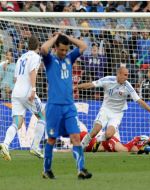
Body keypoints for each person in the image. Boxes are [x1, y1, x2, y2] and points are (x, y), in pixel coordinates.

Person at [40, 32, 92, 180]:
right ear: (55, 48)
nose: (64, 52)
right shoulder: (49, 60)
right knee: (51, 139)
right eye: (61, 49)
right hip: (54, 107)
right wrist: (55, 37)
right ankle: (46, 170)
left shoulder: (70, 58)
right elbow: (44, 48)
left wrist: (67, 37)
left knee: (76, 136)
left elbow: (83, 45)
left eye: (66, 50)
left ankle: (81, 169)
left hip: (69, 106)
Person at [77, 66, 150, 149]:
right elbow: (91, 85)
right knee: (95, 130)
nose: (127, 77)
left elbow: (139, 101)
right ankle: (82, 145)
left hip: (117, 114)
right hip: (106, 109)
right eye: (125, 75)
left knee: (108, 134)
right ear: (119, 74)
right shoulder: (108, 80)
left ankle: (99, 140)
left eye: (127, 75)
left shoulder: (128, 86)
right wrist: (76, 87)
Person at [0, 36, 45, 161]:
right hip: (27, 92)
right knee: (43, 116)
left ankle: (5, 144)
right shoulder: (36, 57)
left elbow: (15, 78)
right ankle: (35, 147)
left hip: (16, 93)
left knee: (17, 122)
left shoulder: (20, 58)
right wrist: (33, 90)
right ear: (38, 46)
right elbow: (32, 72)